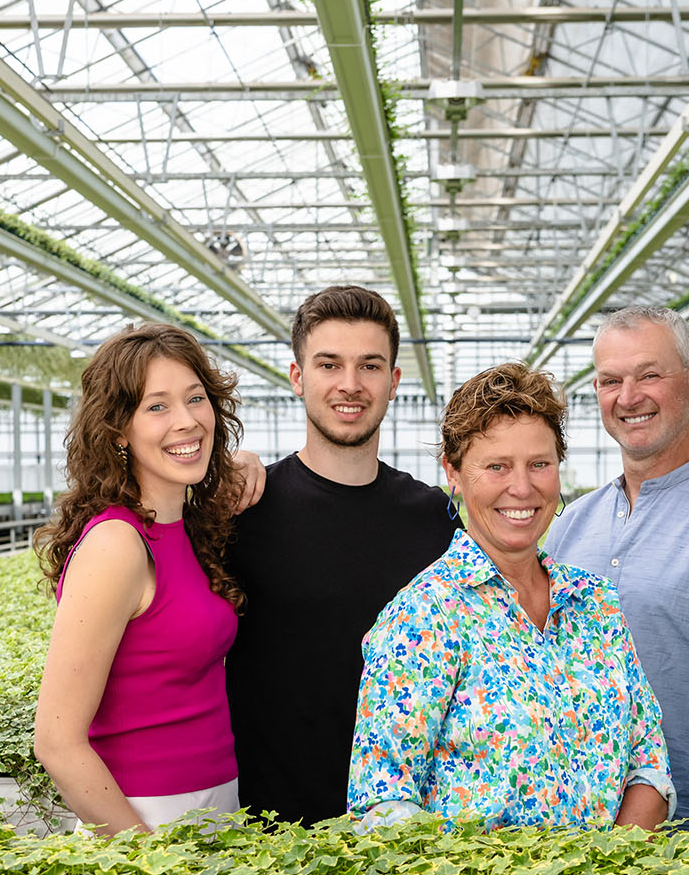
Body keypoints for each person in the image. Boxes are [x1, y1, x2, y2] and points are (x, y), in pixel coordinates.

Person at [347, 363, 674, 830]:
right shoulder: (426, 615)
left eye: (538, 464)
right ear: (454, 473)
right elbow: (380, 805)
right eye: (497, 466)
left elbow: (649, 763)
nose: (522, 488)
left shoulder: (596, 603)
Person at [224, 286, 455, 825]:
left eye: (369, 366)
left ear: (394, 382)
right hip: (264, 831)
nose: (350, 385)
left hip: (403, 831)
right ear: (298, 377)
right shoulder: (243, 509)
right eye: (329, 364)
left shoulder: (433, 520)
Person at [546, 306, 689, 827]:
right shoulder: (571, 523)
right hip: (575, 838)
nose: (628, 398)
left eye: (649, 375)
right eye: (611, 381)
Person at [31, 323, 245, 834]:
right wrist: (145, 858)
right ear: (117, 431)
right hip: (147, 818)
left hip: (217, 805)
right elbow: (56, 741)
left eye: (196, 398)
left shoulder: (192, 526)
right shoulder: (117, 545)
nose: (187, 421)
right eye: (157, 406)